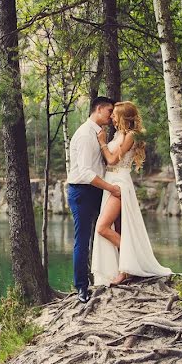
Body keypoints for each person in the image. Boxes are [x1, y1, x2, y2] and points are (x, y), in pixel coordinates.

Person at [91, 101, 172, 286]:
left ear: (123, 117)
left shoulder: (130, 136)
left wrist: (102, 143)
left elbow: (111, 160)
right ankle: (124, 270)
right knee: (119, 228)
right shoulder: (119, 134)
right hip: (110, 182)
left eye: (114, 114)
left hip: (119, 184)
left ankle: (133, 261)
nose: (111, 117)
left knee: (102, 228)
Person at [67, 96, 122, 303]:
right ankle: (81, 286)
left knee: (104, 232)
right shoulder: (83, 135)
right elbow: (85, 173)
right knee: (82, 239)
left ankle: (115, 272)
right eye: (109, 112)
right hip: (82, 192)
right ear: (98, 109)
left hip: (98, 190)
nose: (111, 116)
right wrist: (111, 188)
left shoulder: (99, 134)